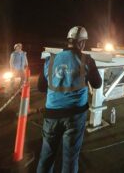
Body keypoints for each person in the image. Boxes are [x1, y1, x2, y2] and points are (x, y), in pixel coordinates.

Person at [37, 26, 102, 173]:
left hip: (52, 114)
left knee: (46, 157)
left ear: (69, 41)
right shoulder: (87, 60)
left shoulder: (50, 60)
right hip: (75, 116)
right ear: (82, 43)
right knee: (70, 159)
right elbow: (97, 84)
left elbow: (41, 87)